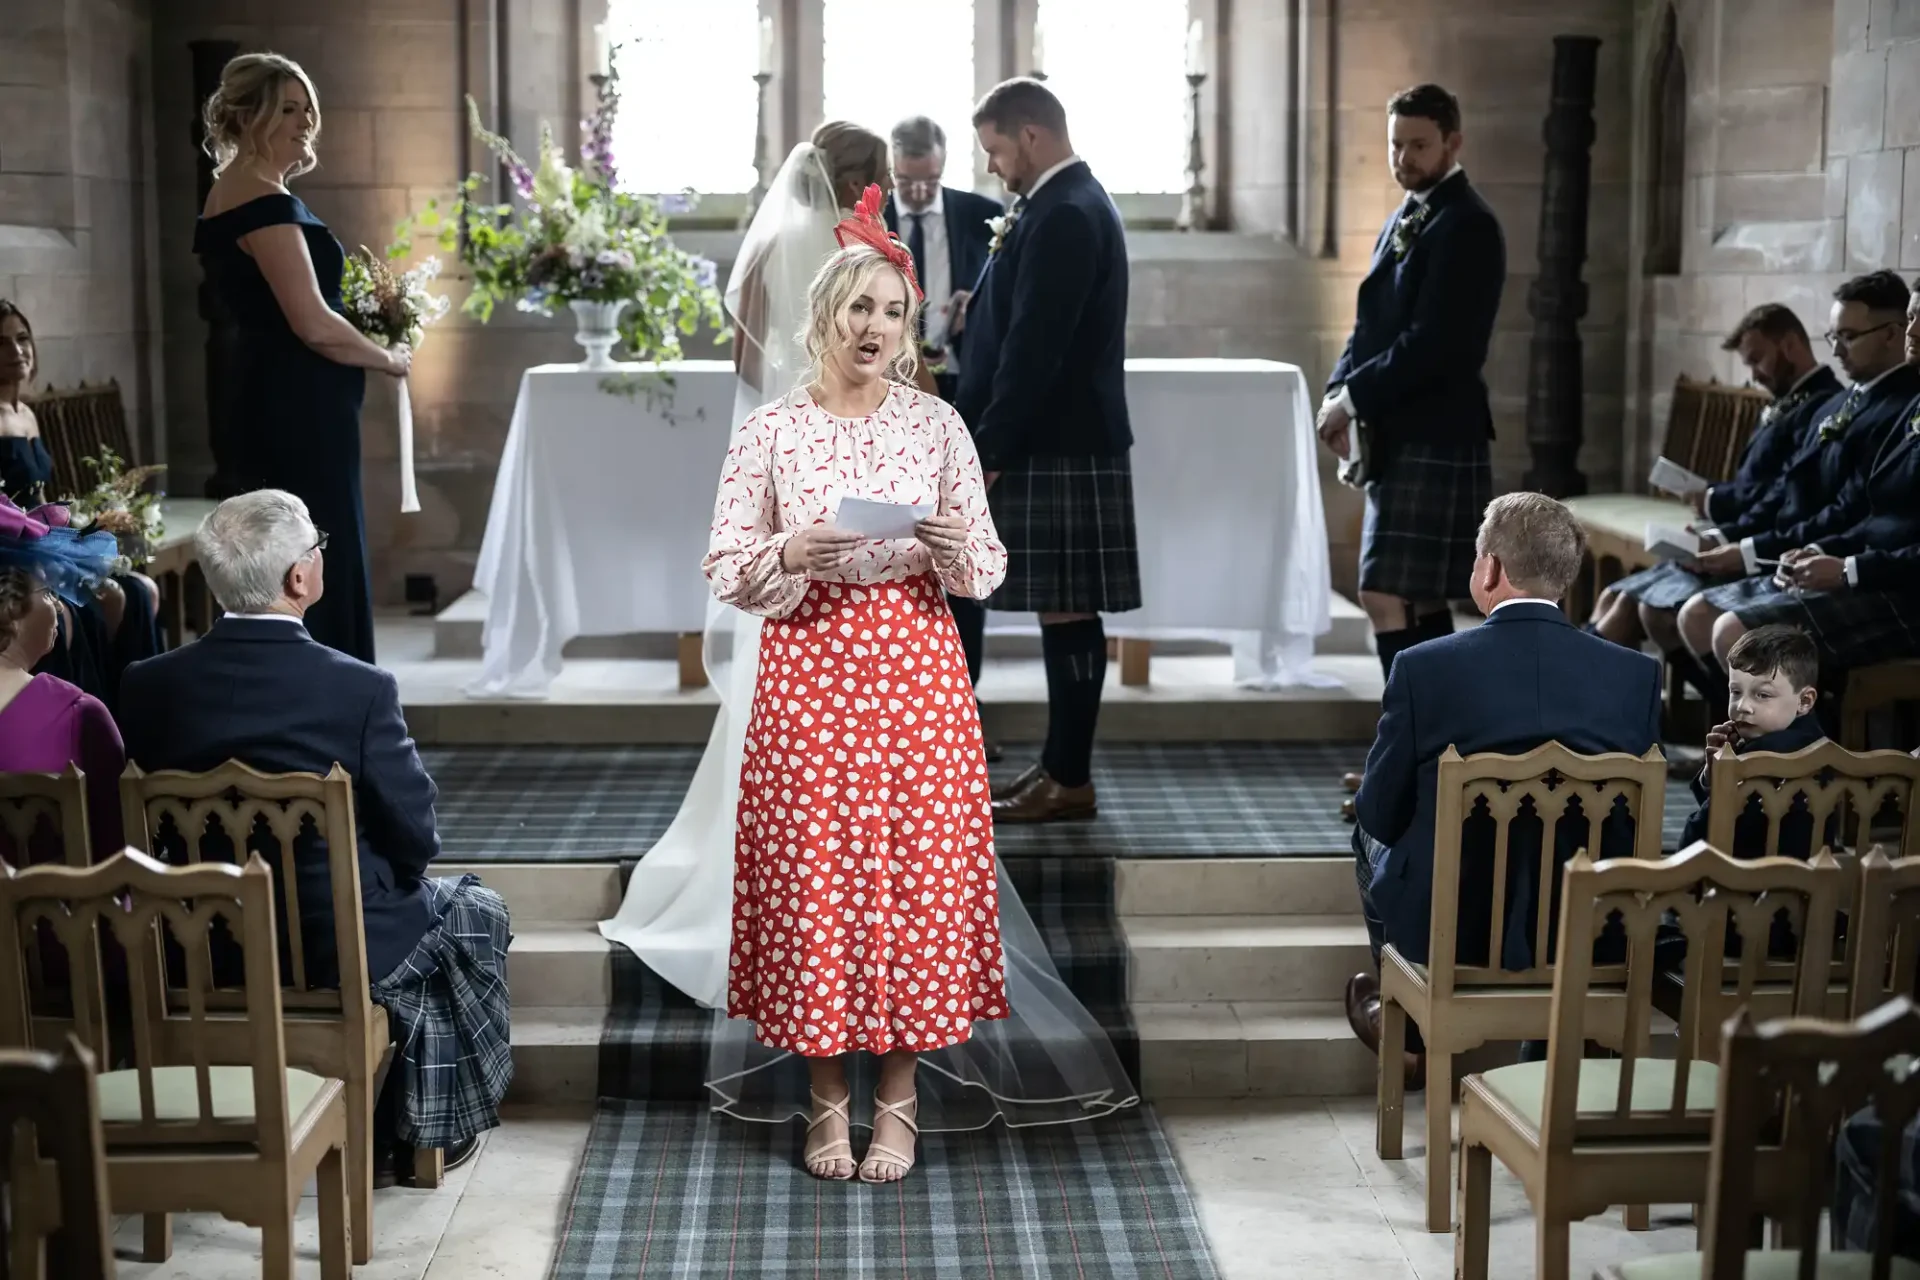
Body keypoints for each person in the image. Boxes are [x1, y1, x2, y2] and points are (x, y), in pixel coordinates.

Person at [117, 489, 510, 1180]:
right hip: (335, 950)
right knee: (475, 910)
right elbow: (416, 833)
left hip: (197, 949)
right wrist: (397, 879)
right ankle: (422, 1131)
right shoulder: (358, 689)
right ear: (300, 578)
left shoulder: (148, 686)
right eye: (317, 545)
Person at [1343, 493, 1663, 1083]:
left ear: (1489, 569)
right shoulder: (1635, 676)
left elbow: (1381, 813)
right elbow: (1629, 819)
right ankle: (1549, 1036)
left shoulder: (1423, 667)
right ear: (1564, 579)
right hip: (1587, 929)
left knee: (1364, 833)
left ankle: (1410, 1030)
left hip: (1456, 930)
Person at [1315, 84, 1506, 821]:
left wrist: (1353, 397)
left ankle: (1407, 761)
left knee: (1385, 593)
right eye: (1396, 144)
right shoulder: (1406, 217)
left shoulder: (1468, 226)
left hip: (1438, 432)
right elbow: (1370, 326)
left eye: (1419, 145)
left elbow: (1439, 346)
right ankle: (1423, 761)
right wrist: (1341, 390)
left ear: (1454, 142)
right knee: (1415, 602)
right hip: (1400, 433)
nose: (1404, 158)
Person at [956, 78, 1140, 824]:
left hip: (1056, 442)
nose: (994, 168)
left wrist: (991, 448)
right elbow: (1023, 320)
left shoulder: (1066, 211)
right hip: (1055, 439)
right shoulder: (1058, 204)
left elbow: (1038, 347)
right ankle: (1061, 768)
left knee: (1068, 607)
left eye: (996, 151)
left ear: (1031, 136)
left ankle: (1070, 775)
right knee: (1062, 608)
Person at [193, 53, 410, 664]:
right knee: (306, 554)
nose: (304, 121)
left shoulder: (248, 191)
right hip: (295, 404)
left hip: (287, 395)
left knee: (298, 551)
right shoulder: (259, 199)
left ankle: (307, 701)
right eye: (287, 108)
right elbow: (313, 323)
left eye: (307, 108)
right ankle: (328, 704)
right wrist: (387, 358)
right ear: (245, 114)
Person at [1679, 275, 1920, 681]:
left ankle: (1794, 742)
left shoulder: (1897, 402)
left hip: (1904, 593)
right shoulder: (1911, 404)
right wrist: (1816, 549)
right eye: (1912, 316)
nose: (1912, 330)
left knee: (1735, 633)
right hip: (1869, 568)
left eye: (1918, 320)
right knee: (1700, 616)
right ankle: (1770, 737)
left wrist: (1848, 569)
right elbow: (1871, 513)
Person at [1588, 304, 1842, 660]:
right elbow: (1756, 487)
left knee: (1632, 604)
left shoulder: (1825, 405)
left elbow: (1782, 497)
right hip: (1735, 534)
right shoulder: (1790, 399)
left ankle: (1574, 689)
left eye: (1757, 359)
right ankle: (1576, 680)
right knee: (1612, 595)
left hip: (1760, 546)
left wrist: (1721, 531)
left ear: (1789, 344)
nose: (1754, 375)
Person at [1, 298, 164, 711]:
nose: (16, 351)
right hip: (12, 545)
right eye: (1, 343)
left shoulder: (27, 414)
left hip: (39, 536)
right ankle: (89, 719)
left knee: (138, 591)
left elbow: (40, 498)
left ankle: (139, 710)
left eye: (22, 339)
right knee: (87, 609)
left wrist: (86, 530)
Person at [0, 496, 126, 863]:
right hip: (57, 918)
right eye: (49, 592)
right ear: (12, 610)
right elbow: (117, 861)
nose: (57, 605)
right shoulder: (79, 715)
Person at [1677, 624, 1827, 858]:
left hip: (1746, 884)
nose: (1742, 707)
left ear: (1805, 701)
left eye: (1763, 695)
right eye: (1735, 692)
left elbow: (1701, 832)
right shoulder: (1821, 745)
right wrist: (1714, 773)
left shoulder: (1760, 757)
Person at [883, 115, 1001, 406]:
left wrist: (977, 303)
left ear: (943, 164)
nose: (920, 192)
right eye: (906, 181)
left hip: (961, 373)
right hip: (887, 378)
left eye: (931, 180)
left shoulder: (982, 215)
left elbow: (1001, 290)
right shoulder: (871, 219)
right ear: (892, 168)